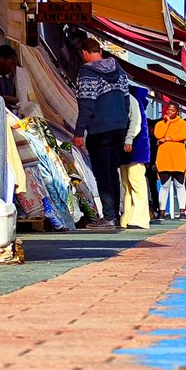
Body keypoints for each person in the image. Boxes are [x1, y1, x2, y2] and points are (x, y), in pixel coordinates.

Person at [74, 37, 129, 230]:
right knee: (112, 172)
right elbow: (126, 99)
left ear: (85, 53)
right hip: (119, 127)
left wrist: (79, 131)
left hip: (100, 128)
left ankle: (108, 217)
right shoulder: (119, 69)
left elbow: (87, 103)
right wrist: (123, 122)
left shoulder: (87, 71)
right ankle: (115, 215)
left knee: (102, 173)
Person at [120, 86, 151, 231]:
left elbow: (135, 122)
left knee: (136, 184)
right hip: (128, 148)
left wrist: (129, 138)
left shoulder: (131, 99)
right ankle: (127, 217)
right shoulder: (126, 98)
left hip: (135, 147)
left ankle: (140, 218)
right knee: (128, 185)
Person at [154, 102, 186, 218]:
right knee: (164, 186)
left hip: (178, 159)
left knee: (180, 185)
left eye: (172, 110)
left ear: (177, 111)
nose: (170, 112)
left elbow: (184, 134)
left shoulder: (183, 123)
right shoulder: (160, 123)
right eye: (168, 110)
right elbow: (158, 135)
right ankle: (162, 211)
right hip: (164, 159)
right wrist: (167, 123)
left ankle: (182, 211)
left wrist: (168, 138)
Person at [0, 44, 19, 109]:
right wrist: (6, 99)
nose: (12, 67)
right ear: (2, 59)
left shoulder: (4, 79)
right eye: (11, 63)